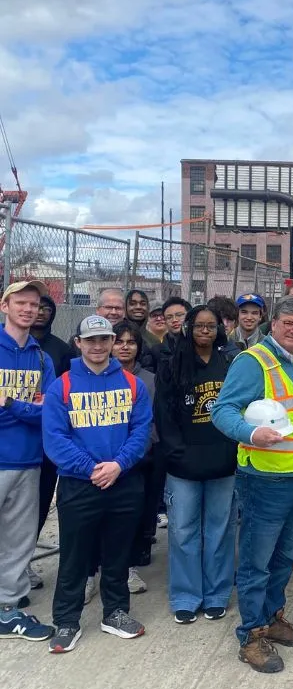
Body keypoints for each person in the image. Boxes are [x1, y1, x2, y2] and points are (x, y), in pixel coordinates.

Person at [211, 295, 293, 674]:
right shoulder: (253, 361)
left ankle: (273, 617)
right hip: (264, 478)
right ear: (272, 324)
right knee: (256, 563)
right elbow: (222, 409)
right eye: (288, 324)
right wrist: (251, 433)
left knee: (283, 559)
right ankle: (252, 635)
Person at [43, 315, 152, 653]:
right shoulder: (62, 385)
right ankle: (66, 620)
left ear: (112, 342)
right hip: (80, 484)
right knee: (75, 555)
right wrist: (92, 469)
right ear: (78, 343)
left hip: (123, 480)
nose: (98, 346)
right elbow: (55, 438)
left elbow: (141, 431)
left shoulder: (133, 384)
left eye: (104, 339)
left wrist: (118, 465)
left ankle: (115, 612)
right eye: (90, 340)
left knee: (118, 553)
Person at [156, 306, 239, 624]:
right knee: (183, 531)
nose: (205, 330)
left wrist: (233, 450)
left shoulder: (230, 362)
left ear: (220, 329)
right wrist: (177, 454)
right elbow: (164, 414)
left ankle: (217, 594)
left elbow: (238, 408)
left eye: (211, 325)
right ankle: (186, 596)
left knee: (220, 530)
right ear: (188, 328)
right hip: (184, 464)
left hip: (223, 461)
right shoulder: (172, 364)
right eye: (199, 325)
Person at [0, 280, 56, 643]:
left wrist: (10, 405)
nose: (28, 309)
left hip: (28, 460)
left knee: (19, 541)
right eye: (20, 302)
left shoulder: (41, 356)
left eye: (33, 304)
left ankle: (7, 609)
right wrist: (27, 408)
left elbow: (49, 411)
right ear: (5, 305)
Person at [110, 321, 157, 594]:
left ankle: (128, 568)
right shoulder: (97, 377)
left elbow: (152, 424)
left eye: (131, 342)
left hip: (138, 460)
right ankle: (92, 571)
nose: (125, 347)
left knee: (133, 518)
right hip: (103, 459)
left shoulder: (149, 380)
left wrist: (132, 454)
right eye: (119, 341)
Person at [30, 293, 72, 581]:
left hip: (47, 439)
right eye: (37, 307)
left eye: (47, 308)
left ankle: (24, 562)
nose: (42, 312)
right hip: (12, 441)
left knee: (41, 501)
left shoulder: (59, 350)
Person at [67, 287, 126, 354]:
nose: (113, 312)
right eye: (108, 307)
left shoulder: (131, 336)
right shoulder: (81, 336)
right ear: (98, 310)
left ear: (124, 311)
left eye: (118, 308)